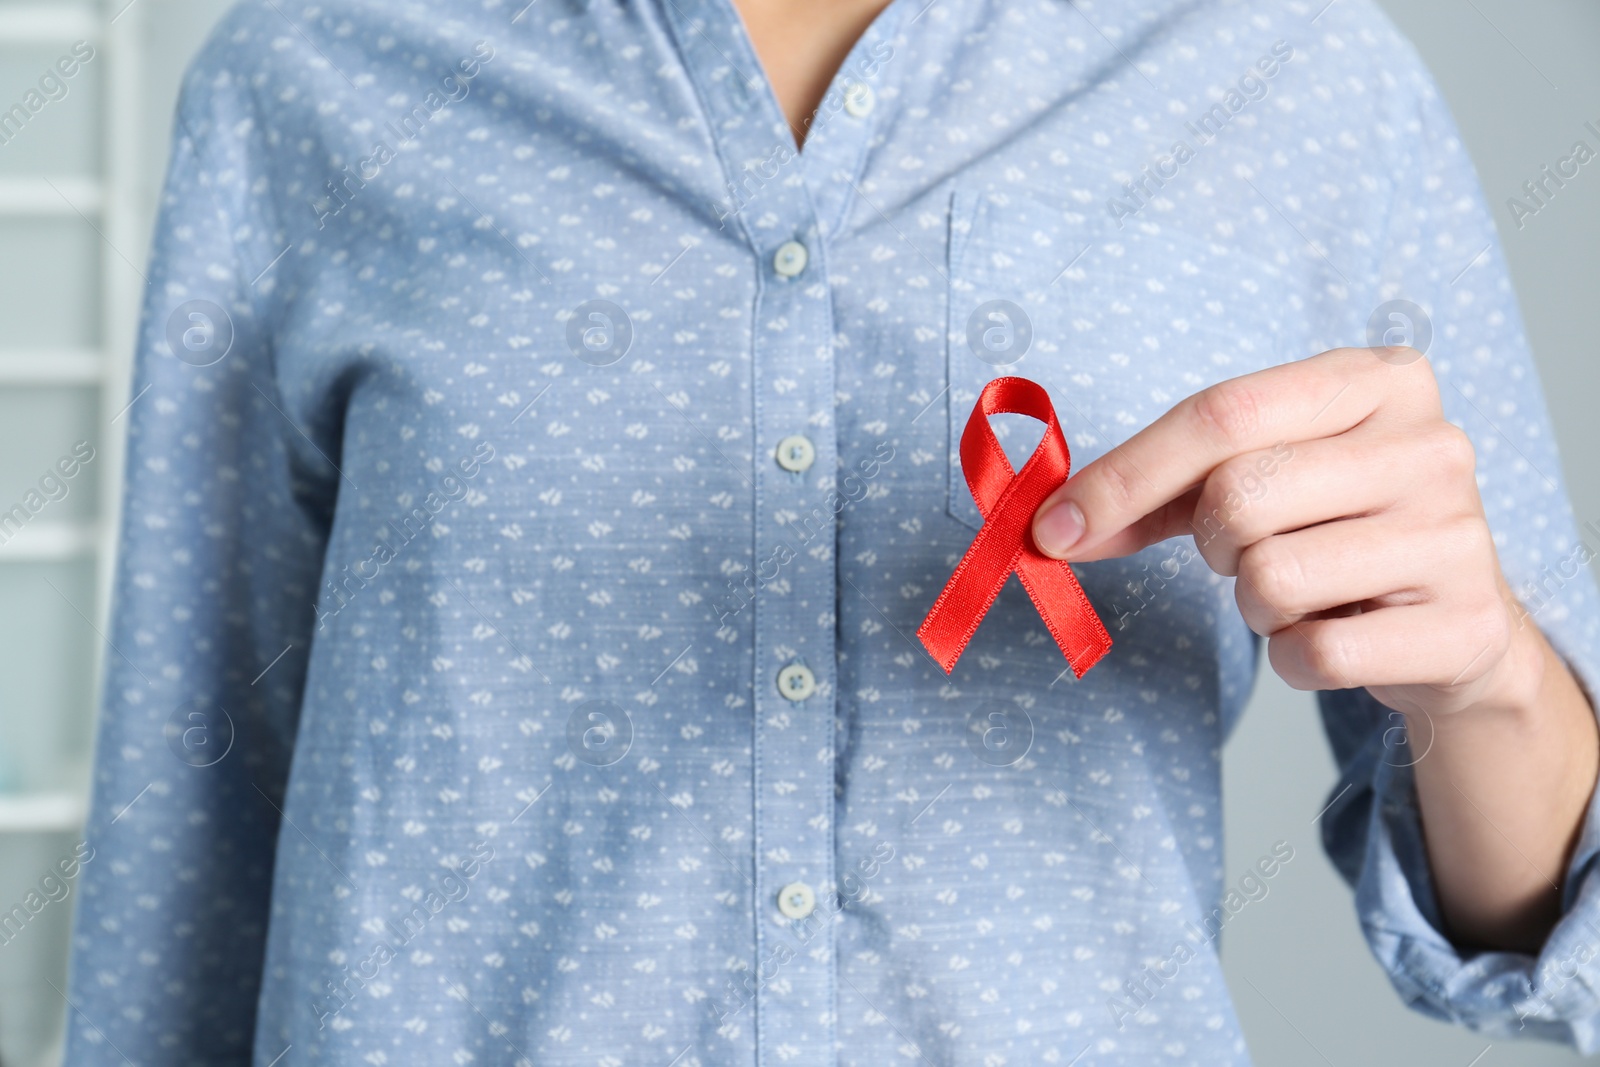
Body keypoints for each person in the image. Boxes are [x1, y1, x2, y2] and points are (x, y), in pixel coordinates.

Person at [63, 0, 1600, 1062]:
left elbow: (1551, 932)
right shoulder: (315, 72)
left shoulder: (1307, 86)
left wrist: (1492, 691)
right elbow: (183, 853)